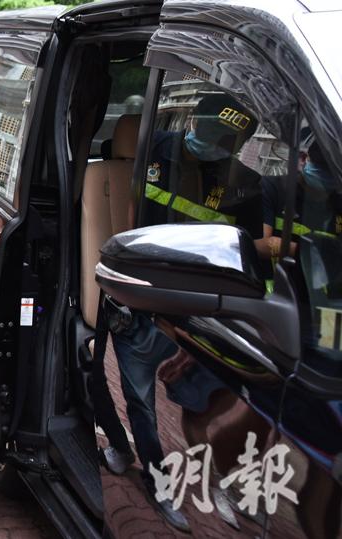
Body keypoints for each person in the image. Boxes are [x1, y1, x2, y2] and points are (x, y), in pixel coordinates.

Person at [101, 93, 263, 533]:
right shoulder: (153, 148)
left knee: (211, 405)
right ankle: (158, 485)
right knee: (142, 404)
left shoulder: (244, 182)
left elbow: (247, 253)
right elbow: (131, 212)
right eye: (210, 132)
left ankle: (228, 483)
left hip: (199, 316)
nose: (213, 145)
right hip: (141, 301)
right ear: (193, 121)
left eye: (226, 141)